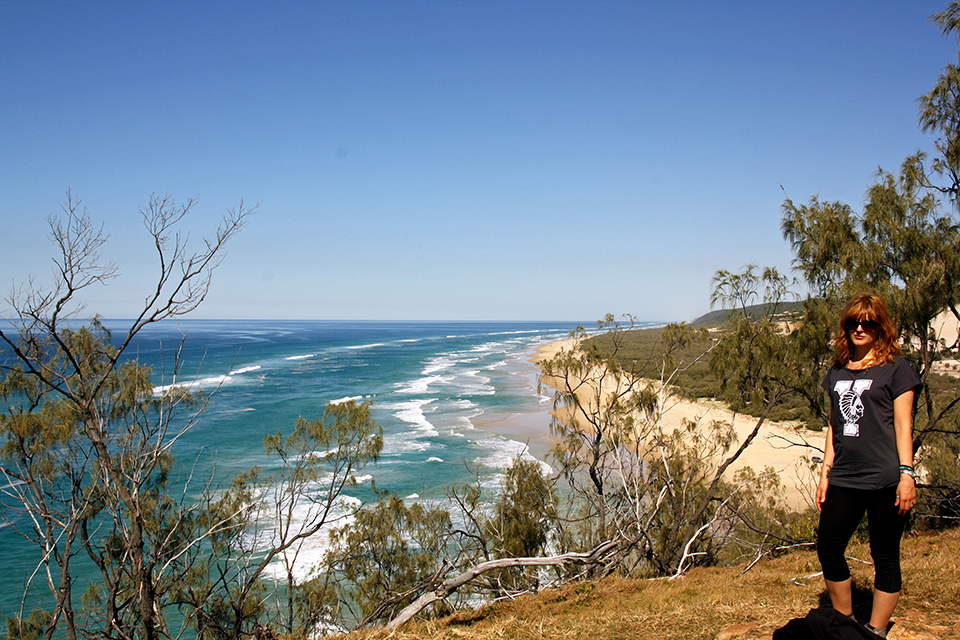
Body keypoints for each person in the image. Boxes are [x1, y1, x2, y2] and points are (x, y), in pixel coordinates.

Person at [816, 293, 922, 638]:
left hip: (884, 478)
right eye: (853, 322)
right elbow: (834, 425)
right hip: (845, 475)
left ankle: (875, 630)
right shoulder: (837, 372)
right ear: (845, 327)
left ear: (881, 328)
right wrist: (824, 473)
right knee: (829, 547)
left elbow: (904, 426)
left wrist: (907, 474)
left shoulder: (897, 369)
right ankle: (845, 622)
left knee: (885, 554)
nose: (860, 328)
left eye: (868, 323)